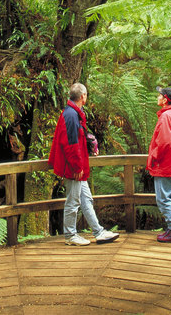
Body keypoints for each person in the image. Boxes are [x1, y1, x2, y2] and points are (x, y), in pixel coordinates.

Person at [49, 83, 120, 246]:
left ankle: (98, 232)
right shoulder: (71, 115)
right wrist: (77, 167)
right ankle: (70, 235)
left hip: (77, 166)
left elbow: (78, 138)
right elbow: (71, 144)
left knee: (86, 199)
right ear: (83, 97)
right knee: (73, 201)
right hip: (73, 168)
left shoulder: (73, 113)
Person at [147, 86, 171, 243]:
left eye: (159, 95)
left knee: (163, 198)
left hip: (164, 164)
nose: (157, 97)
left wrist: (154, 158)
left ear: (165, 100)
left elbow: (163, 142)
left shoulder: (165, 117)